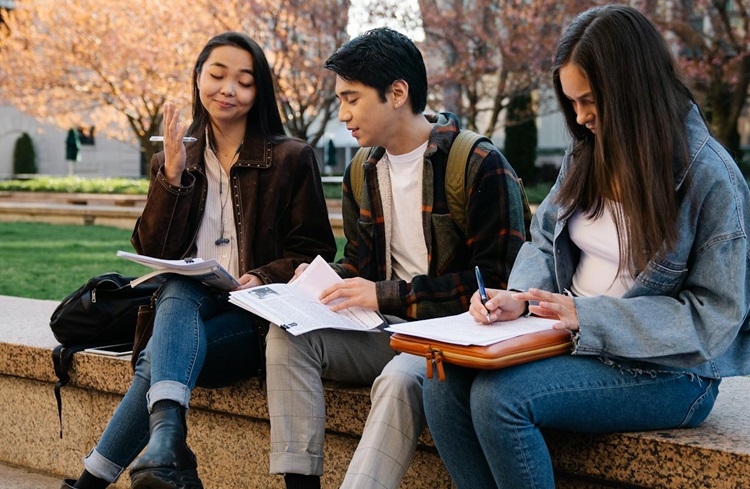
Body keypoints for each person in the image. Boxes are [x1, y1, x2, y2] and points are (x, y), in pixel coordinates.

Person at [422, 5, 750, 488]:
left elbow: (713, 317)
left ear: (632, 86)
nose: (580, 116)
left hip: (672, 372)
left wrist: (588, 318)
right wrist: (522, 298)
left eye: (590, 99)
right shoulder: (586, 149)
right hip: (569, 340)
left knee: (501, 400)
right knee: (441, 382)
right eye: (571, 102)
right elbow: (542, 239)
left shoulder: (711, 177)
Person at [61, 32, 336, 489]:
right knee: (180, 283)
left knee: (156, 361)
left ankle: (117, 469)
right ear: (198, 78)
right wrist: (171, 177)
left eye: (244, 81)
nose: (229, 89)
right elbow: (155, 252)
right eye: (218, 75)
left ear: (258, 92)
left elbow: (315, 252)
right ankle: (165, 445)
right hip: (187, 310)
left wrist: (262, 274)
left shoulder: (291, 157)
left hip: (255, 320)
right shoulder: (175, 156)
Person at [265, 27, 529, 489]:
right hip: (383, 328)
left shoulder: (478, 164)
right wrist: (322, 279)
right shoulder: (361, 170)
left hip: (452, 337)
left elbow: (502, 284)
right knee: (288, 336)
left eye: (351, 98)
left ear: (398, 92)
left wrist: (387, 294)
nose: (343, 113)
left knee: (398, 380)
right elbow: (360, 265)